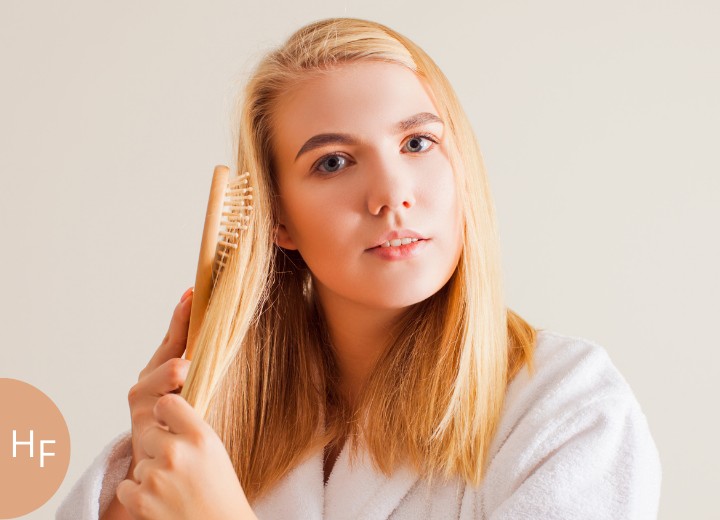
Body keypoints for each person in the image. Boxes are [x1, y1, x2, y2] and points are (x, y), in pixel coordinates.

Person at [56, 17, 662, 520]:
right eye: (334, 162)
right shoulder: (218, 427)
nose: (391, 195)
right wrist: (136, 480)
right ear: (278, 219)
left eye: (418, 144)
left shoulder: (568, 408)